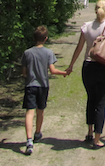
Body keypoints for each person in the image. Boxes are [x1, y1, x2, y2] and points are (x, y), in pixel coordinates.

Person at [66, 0, 105, 148]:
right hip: (104, 67)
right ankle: (97, 138)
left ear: (96, 10)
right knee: (101, 102)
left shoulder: (86, 27)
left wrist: (71, 65)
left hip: (88, 66)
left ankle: (89, 131)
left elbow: (79, 48)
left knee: (91, 99)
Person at [21, 26, 67, 155]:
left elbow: (24, 73)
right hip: (43, 86)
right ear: (46, 38)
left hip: (30, 85)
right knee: (40, 111)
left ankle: (28, 140)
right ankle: (37, 133)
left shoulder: (27, 53)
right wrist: (64, 72)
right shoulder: (48, 53)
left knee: (29, 112)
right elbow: (52, 70)